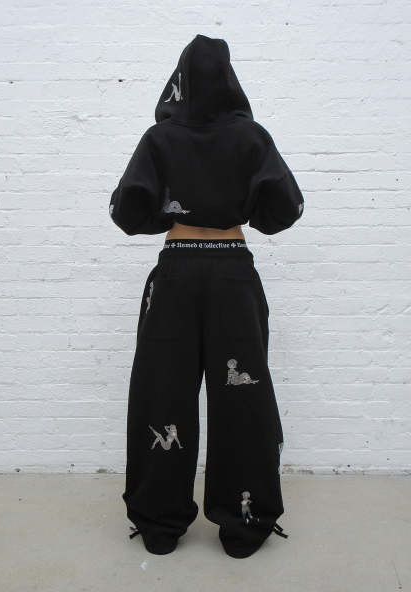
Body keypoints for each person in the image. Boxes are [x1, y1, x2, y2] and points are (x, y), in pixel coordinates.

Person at [109, 33, 304, 559]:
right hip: (232, 274)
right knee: (244, 399)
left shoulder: (160, 139)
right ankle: (245, 526)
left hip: (176, 272)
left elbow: (127, 211)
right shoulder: (251, 137)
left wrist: (168, 211)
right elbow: (285, 208)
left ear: (180, 79)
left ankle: (159, 525)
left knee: (161, 392)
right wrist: (241, 206)